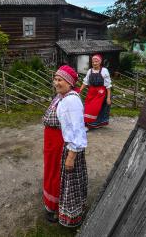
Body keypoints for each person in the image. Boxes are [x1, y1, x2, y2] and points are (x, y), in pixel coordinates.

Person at [42, 65, 88, 227]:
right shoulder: (61, 96)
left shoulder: (71, 101)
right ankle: (51, 204)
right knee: (52, 174)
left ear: (69, 83)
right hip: (52, 146)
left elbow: (77, 130)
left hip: (63, 148)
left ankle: (62, 210)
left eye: (60, 79)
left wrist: (71, 156)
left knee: (61, 178)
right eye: (55, 79)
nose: (56, 82)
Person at [80, 54, 112, 129]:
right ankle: (87, 123)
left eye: (96, 61)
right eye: (93, 62)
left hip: (100, 93)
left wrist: (108, 98)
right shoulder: (89, 71)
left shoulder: (104, 71)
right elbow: (85, 82)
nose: (94, 63)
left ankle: (91, 125)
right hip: (91, 92)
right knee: (87, 107)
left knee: (94, 108)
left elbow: (108, 85)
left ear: (100, 62)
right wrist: (80, 90)